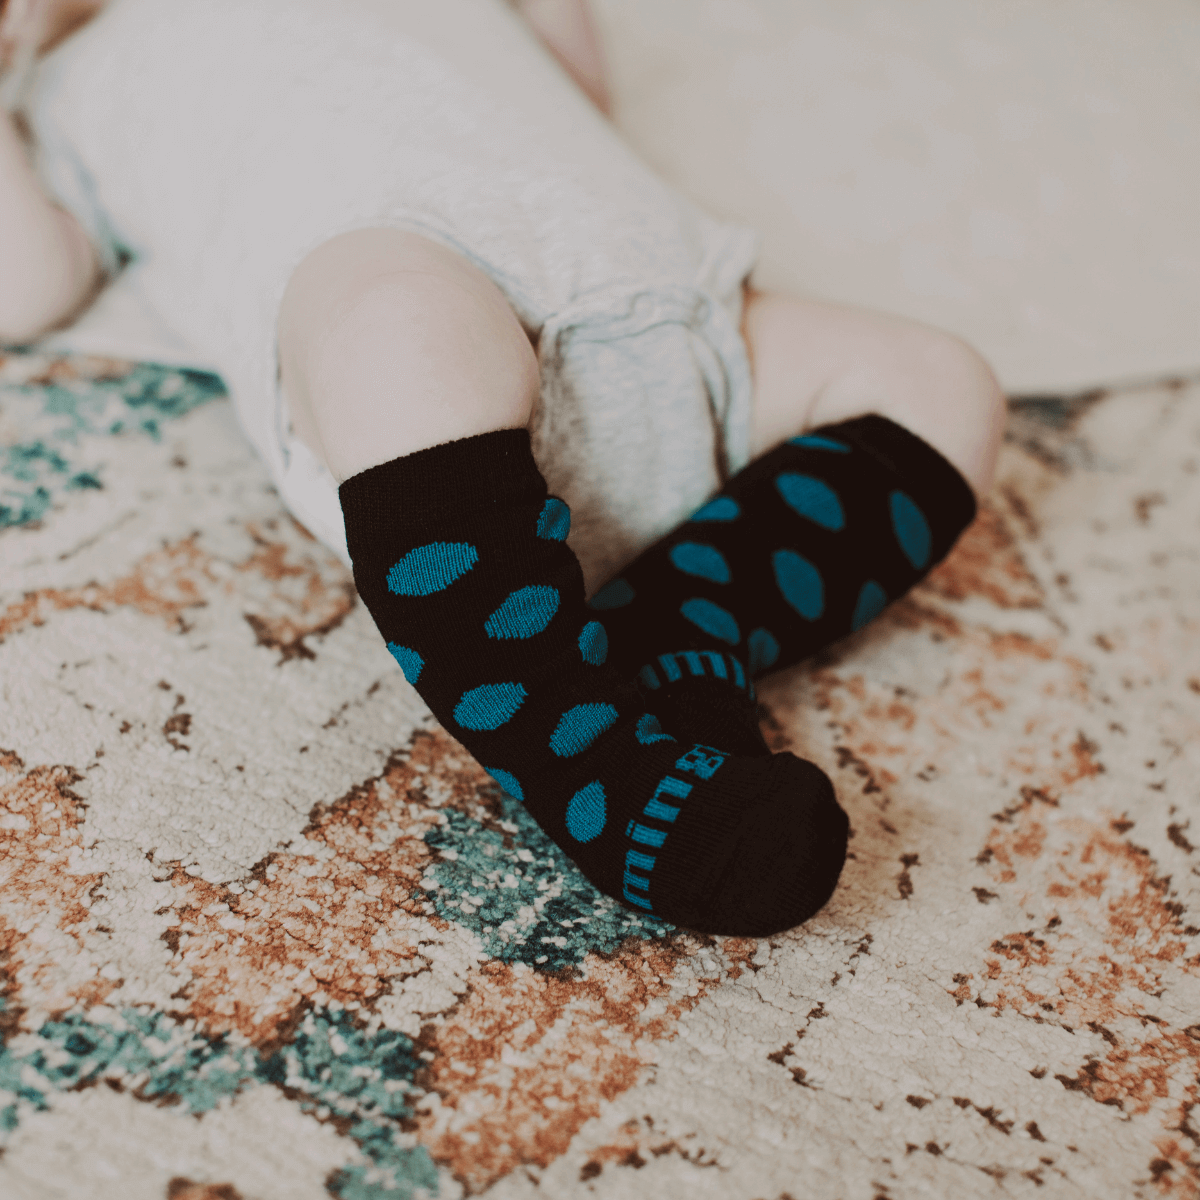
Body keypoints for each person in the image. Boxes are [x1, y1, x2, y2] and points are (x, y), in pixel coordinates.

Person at [0, 0, 1005, 936]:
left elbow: (580, 83)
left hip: (673, 325)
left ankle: (682, 632)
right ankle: (589, 763)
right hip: (426, 427)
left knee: (939, 384)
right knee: (396, 322)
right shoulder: (70, 74)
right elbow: (29, 285)